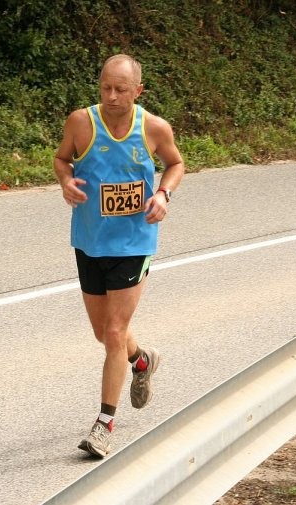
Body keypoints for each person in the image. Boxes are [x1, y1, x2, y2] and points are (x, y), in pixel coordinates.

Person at [53, 54, 185, 458]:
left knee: (113, 332)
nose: (111, 96)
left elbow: (176, 164)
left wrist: (163, 194)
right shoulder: (81, 123)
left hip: (134, 242)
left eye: (121, 89)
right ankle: (141, 360)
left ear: (138, 91)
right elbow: (62, 159)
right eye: (106, 87)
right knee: (103, 333)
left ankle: (104, 425)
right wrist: (65, 181)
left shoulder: (154, 128)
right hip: (90, 241)